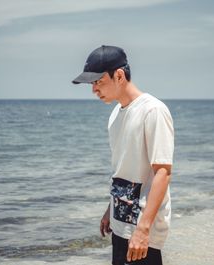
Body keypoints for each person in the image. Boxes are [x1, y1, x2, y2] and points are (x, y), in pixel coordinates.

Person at [72, 45, 174, 265]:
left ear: (119, 75)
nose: (94, 90)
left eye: (98, 82)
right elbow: (122, 170)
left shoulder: (153, 111)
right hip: (120, 226)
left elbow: (163, 173)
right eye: (92, 84)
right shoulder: (115, 115)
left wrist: (143, 230)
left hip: (142, 231)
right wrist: (110, 209)